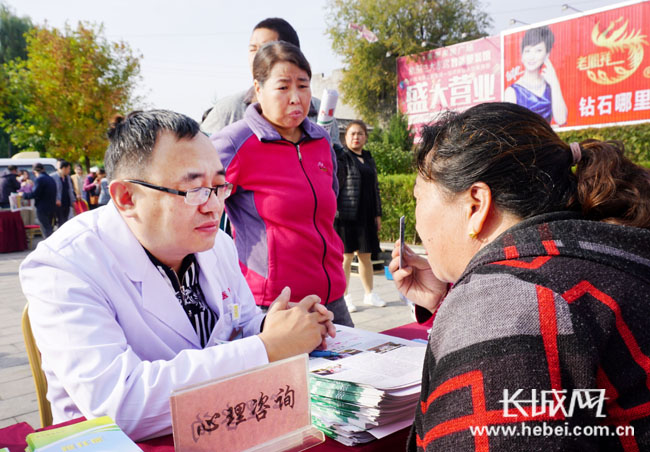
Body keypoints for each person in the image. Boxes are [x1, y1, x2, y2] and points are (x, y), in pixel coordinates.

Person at [19, 110, 335, 441]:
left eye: (218, 186)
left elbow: (237, 325)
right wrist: (266, 348)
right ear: (127, 198)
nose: (214, 207)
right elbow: (118, 405)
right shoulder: (65, 266)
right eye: (194, 189)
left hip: (223, 425)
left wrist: (276, 325)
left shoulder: (216, 244)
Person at [388, 102, 650, 451]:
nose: (417, 222)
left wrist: (473, 307)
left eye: (418, 199)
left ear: (476, 205)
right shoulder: (601, 251)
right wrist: (449, 300)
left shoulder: (501, 305)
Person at [211, 41, 352, 327]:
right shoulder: (234, 142)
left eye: (303, 85)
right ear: (258, 88)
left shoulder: (321, 140)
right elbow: (193, 199)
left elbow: (330, 204)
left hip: (332, 299)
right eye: (283, 87)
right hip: (274, 305)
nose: (296, 98)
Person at [201, 17, 340, 146]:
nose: (256, 56)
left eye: (265, 48)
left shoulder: (322, 113)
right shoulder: (228, 111)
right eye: (252, 49)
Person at [334, 120, 386, 312]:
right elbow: (335, 185)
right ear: (346, 137)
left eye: (360, 134)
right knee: (346, 258)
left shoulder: (368, 158)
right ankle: (345, 297)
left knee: (366, 256)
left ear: (365, 137)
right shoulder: (342, 157)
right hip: (346, 216)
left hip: (366, 215)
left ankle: (369, 294)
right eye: (352, 134)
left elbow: (375, 189)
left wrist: (377, 214)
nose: (356, 137)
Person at [504, 26, 567, 126]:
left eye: (538, 50)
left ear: (547, 54)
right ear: (522, 55)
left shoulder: (550, 87)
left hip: (547, 136)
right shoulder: (513, 91)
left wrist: (554, 83)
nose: (531, 57)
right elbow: (509, 127)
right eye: (528, 51)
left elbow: (561, 120)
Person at [21, 163, 57, 237]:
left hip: (42, 208)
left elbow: (34, 194)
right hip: (51, 207)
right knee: (49, 227)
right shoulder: (50, 178)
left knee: (46, 229)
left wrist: (23, 195)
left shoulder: (39, 179)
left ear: (34, 172)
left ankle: (49, 244)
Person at [53, 160, 76, 226]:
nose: (69, 171)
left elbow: (70, 190)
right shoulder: (53, 177)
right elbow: (52, 191)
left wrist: (73, 201)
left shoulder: (67, 177)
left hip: (67, 203)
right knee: (60, 221)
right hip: (58, 204)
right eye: (68, 169)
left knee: (66, 221)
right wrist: (56, 199)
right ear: (63, 168)